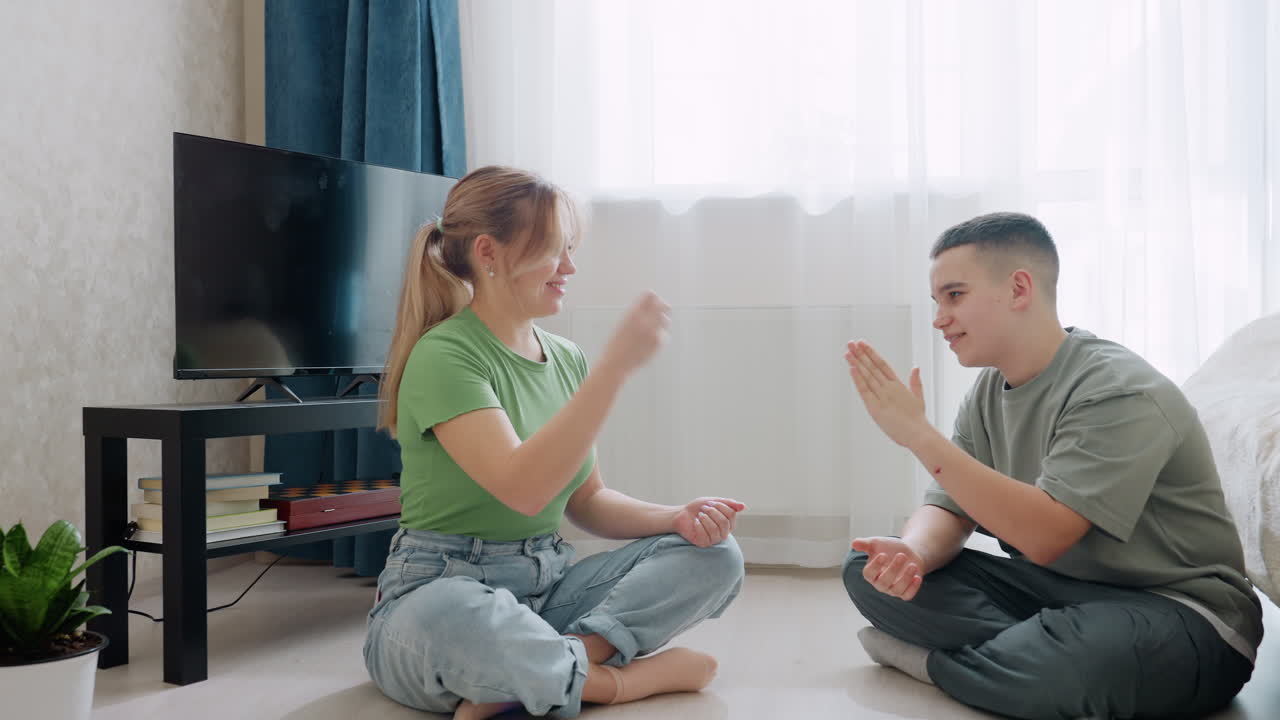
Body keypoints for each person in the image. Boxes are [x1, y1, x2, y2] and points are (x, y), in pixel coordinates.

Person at [840, 212, 1262, 719]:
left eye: (954, 296)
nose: (939, 319)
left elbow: (1045, 536)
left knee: (1076, 666)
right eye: (937, 301)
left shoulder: (1118, 389)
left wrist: (918, 436)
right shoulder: (986, 394)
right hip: (1062, 597)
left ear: (1019, 288)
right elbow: (949, 506)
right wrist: (911, 554)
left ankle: (937, 664)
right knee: (867, 570)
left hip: (1183, 613)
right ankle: (1020, 655)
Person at [364, 166, 746, 720]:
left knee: (716, 556)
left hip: (547, 591)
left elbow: (585, 500)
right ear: (489, 253)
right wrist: (614, 370)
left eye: (570, 249)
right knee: (457, 613)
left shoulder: (565, 359)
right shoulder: (444, 356)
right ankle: (618, 682)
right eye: (553, 250)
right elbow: (523, 489)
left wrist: (677, 517)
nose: (569, 268)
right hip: (437, 592)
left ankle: (537, 676)